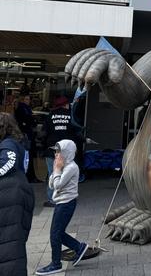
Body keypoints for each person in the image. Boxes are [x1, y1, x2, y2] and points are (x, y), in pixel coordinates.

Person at [35, 140, 88, 276]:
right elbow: (51, 184)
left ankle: (56, 264)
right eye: (55, 151)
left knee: (55, 234)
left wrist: (57, 169)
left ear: (66, 152)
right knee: (58, 233)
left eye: (58, 151)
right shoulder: (63, 166)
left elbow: (58, 184)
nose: (56, 154)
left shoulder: (71, 168)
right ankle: (79, 247)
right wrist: (56, 170)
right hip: (61, 203)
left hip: (66, 204)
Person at [0, 113, 35, 276]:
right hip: (18, 195)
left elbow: (8, 162)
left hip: (11, 199)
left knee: (10, 250)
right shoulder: (17, 143)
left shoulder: (8, 145)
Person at [44, 96, 79, 207]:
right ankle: (66, 197)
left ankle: (52, 199)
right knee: (66, 174)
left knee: (53, 173)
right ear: (65, 105)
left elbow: (44, 133)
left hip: (52, 150)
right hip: (66, 152)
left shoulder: (50, 116)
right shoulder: (70, 116)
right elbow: (77, 131)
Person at [14, 94, 37, 182]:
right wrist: (32, 121)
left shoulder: (22, 108)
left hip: (24, 135)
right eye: (26, 99)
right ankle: (29, 176)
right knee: (28, 156)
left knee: (26, 156)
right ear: (22, 100)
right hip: (26, 135)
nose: (28, 101)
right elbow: (29, 120)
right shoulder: (23, 109)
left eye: (29, 99)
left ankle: (28, 176)